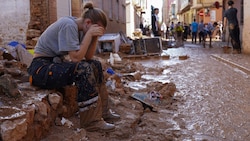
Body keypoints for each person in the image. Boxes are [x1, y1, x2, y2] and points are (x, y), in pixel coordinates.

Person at [27, 2, 120, 132]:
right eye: (96, 29)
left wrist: (94, 38)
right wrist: (89, 35)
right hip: (40, 68)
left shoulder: (81, 28)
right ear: (88, 23)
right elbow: (75, 58)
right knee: (82, 69)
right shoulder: (69, 25)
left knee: (95, 65)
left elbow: (88, 57)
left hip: (54, 64)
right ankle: (91, 121)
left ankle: (103, 112)